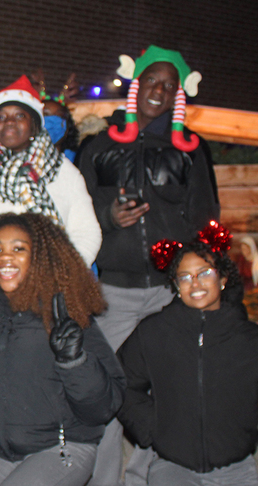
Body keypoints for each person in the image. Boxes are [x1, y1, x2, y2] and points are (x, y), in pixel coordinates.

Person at [76, 46, 219, 486]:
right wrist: (108, 216)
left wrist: (216, 283)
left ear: (178, 93)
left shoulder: (192, 151)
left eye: (167, 84)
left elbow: (207, 218)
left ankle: (144, 477)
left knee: (163, 389)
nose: (158, 90)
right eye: (151, 81)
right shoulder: (98, 145)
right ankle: (104, 481)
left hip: (167, 290)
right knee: (106, 390)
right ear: (136, 86)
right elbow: (76, 210)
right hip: (112, 293)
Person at [118, 232, 258, 486]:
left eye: (205, 273)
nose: (195, 284)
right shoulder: (153, 332)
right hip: (173, 465)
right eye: (185, 277)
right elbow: (122, 381)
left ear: (223, 278)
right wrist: (152, 430)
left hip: (235, 468)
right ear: (175, 285)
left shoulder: (250, 338)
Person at [0, 213, 125, 486]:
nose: (6, 257)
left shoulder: (64, 314)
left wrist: (74, 361)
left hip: (61, 448)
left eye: (18, 249)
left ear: (39, 256)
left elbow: (104, 408)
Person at [0, 75, 101, 265]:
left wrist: (65, 273)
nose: (10, 121)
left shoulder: (62, 170)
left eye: (20, 115)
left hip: (50, 281)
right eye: (1, 117)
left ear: (34, 125)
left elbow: (86, 232)